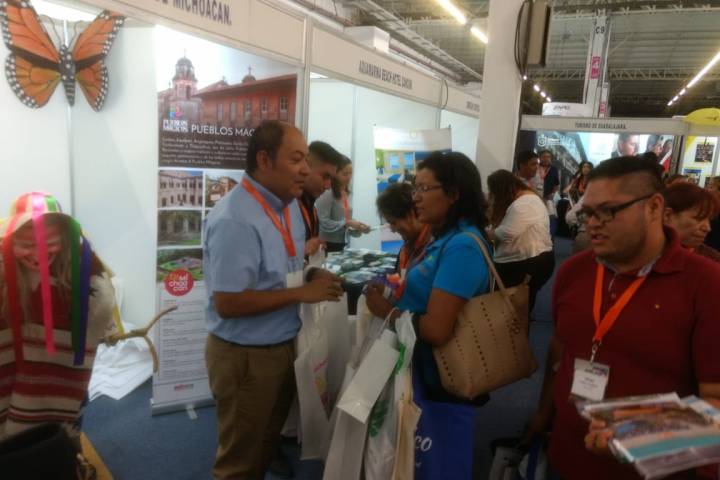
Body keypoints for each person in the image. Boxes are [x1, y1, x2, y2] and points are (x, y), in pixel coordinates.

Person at [526, 156, 720, 480]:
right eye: (588, 213)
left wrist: (634, 435)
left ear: (654, 207)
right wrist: (544, 413)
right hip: (566, 455)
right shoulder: (574, 271)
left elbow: (715, 402)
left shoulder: (706, 284)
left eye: (609, 211)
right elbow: (561, 351)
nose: (593, 223)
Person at [203, 121, 343, 480]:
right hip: (246, 356)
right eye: (296, 159)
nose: (306, 170)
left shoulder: (289, 206)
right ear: (264, 160)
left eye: (306, 160)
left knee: (264, 448)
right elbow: (228, 303)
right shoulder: (235, 218)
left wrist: (310, 276)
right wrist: (301, 293)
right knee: (239, 462)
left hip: (281, 345)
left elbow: (281, 272)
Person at [364, 151, 491, 480]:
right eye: (414, 188)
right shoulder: (444, 238)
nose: (415, 197)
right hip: (422, 367)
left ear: (454, 193)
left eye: (423, 188)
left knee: (435, 459)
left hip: (441, 374)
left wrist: (385, 310)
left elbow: (436, 329)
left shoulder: (462, 246)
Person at [0, 192, 115, 477]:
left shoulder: (85, 271)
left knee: (64, 435)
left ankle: (71, 460)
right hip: (10, 375)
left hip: (64, 377)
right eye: (26, 243)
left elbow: (101, 305)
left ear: (64, 237)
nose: (38, 253)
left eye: (49, 241)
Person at [487, 170, 555, 316]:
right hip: (534, 260)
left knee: (511, 312)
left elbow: (506, 234)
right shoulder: (528, 199)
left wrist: (486, 233)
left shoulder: (524, 204)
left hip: (525, 263)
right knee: (521, 307)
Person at [375, 182, 433, 297]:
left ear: (410, 214)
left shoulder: (433, 247)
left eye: (393, 223)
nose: (392, 230)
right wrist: (385, 286)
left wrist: (386, 308)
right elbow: (401, 281)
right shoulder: (408, 246)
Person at [316, 156, 369, 252]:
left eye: (350, 173)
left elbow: (345, 223)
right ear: (335, 174)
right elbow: (323, 222)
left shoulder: (345, 192)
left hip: (341, 244)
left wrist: (358, 228)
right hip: (326, 245)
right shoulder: (327, 192)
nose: (349, 177)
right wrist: (347, 223)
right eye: (345, 174)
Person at [300, 141, 343, 256]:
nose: (328, 186)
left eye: (331, 179)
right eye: (325, 176)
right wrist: (301, 251)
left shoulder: (311, 206)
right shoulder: (286, 206)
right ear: (306, 166)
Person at [663, 182, 720, 262]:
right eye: (699, 218)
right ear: (667, 215)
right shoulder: (646, 255)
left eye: (709, 220)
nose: (707, 228)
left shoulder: (713, 260)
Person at [538, 149, 561, 235]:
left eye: (548, 157)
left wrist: (552, 194)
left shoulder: (554, 169)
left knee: (551, 219)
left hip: (548, 198)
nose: (546, 158)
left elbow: (556, 185)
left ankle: (550, 238)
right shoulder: (536, 167)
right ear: (540, 158)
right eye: (544, 157)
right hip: (537, 197)